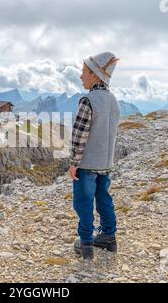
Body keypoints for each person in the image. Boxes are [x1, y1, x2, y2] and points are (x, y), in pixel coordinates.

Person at [68, 52, 121, 260]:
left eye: (84, 72)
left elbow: (79, 135)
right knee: (104, 198)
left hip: (87, 164)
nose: (81, 77)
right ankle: (109, 237)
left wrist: (74, 163)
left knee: (83, 201)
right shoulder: (114, 100)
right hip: (105, 163)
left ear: (95, 75)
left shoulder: (88, 100)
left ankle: (86, 243)